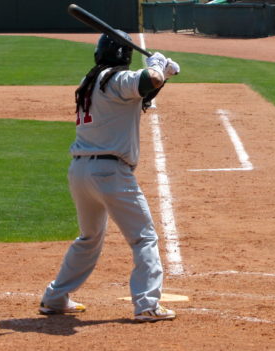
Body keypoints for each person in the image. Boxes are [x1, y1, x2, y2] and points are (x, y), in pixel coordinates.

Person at [39, 31, 180, 322]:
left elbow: (143, 91)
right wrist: (156, 69)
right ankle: (147, 304)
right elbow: (145, 82)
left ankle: (55, 297)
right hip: (110, 174)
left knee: (89, 237)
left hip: (80, 171)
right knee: (144, 238)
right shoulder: (117, 80)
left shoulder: (91, 82)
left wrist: (162, 75)